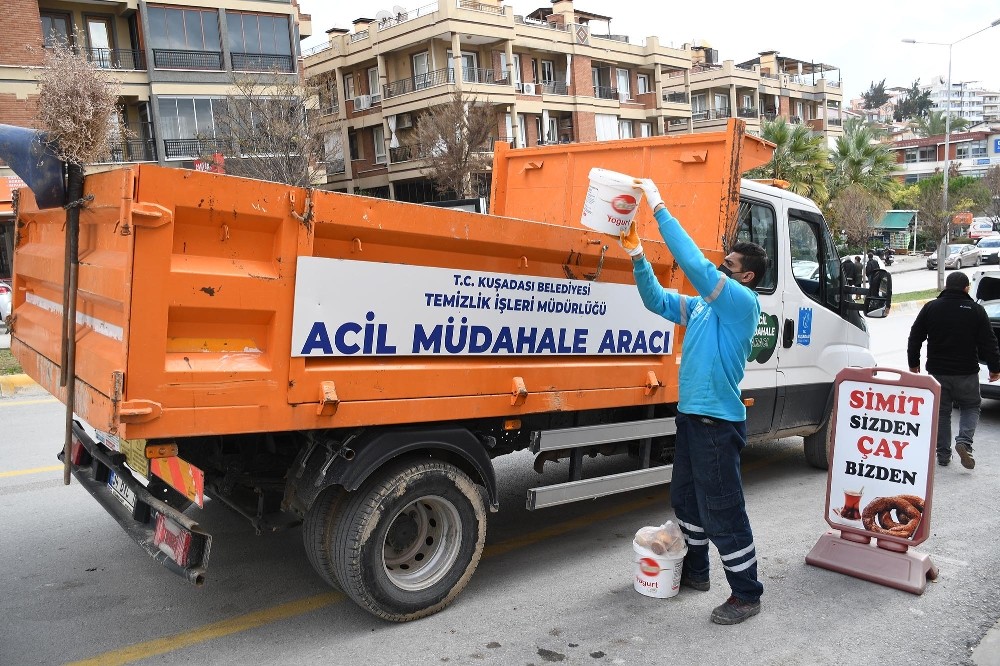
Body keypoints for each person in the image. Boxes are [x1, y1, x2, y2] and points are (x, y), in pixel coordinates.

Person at [618, 178, 767, 625]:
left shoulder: (741, 304)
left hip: (718, 426)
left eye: (731, 263)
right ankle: (697, 573)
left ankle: (746, 594)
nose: (722, 267)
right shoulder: (701, 307)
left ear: (746, 276)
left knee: (723, 510)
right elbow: (656, 300)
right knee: (686, 502)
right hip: (691, 420)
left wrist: (659, 207)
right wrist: (637, 256)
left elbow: (696, 266)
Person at [907, 270, 1000, 469]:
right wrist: (995, 369)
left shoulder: (931, 307)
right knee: (971, 406)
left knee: (942, 412)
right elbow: (989, 343)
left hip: (938, 372)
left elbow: (915, 337)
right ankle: (964, 442)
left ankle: (943, 455)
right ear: (967, 288)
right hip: (966, 372)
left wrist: (913, 364)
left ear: (946, 287)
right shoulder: (975, 310)